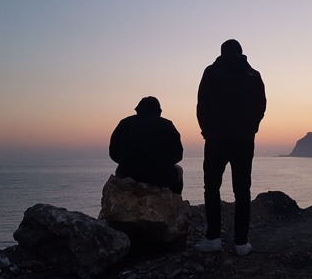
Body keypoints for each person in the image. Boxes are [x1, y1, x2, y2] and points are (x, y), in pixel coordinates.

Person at [195, 39, 266, 256]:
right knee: (242, 190)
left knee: (211, 187)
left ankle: (213, 239)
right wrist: (251, 129)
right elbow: (261, 106)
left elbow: (202, 104)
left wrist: (207, 131)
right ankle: (241, 243)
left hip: (216, 138)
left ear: (221, 53)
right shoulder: (254, 75)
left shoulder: (211, 72)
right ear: (241, 53)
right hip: (244, 140)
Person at [109, 96, 184, 194]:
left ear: (138, 110)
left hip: (127, 174)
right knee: (179, 170)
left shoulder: (124, 123)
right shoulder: (167, 125)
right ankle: (174, 200)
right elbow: (178, 155)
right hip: (160, 176)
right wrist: (162, 164)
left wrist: (129, 162)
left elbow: (113, 152)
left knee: (120, 171)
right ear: (159, 111)